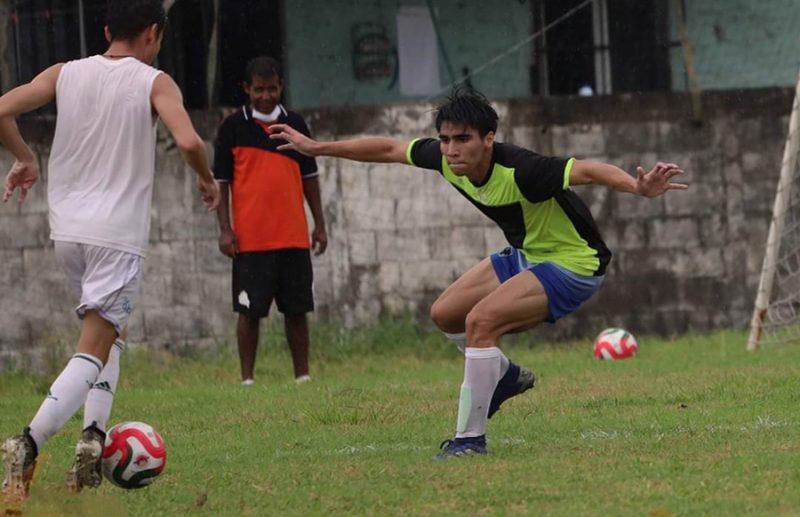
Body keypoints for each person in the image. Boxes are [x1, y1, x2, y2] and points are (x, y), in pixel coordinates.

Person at [268, 89, 686, 459]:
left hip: (574, 263)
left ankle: (470, 440)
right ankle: (504, 375)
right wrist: (318, 148)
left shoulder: (524, 170)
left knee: (479, 322)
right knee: (446, 314)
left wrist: (639, 188)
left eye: (463, 139)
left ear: (489, 139)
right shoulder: (447, 160)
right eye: (446, 139)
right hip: (527, 255)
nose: (451, 149)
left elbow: (589, 171)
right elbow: (389, 149)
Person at [0, 0, 219, 503]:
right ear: (153, 33)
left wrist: (24, 157)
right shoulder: (154, 81)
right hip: (115, 234)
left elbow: (2, 108)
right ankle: (27, 442)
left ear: (105, 30)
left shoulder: (65, 72)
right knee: (92, 346)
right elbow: (187, 141)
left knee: (112, 328)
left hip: (68, 231)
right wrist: (207, 182)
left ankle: (93, 439)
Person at [213, 56, 327, 386]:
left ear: (281, 87)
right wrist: (224, 229)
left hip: (293, 235)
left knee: (297, 310)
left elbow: (310, 177)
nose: (266, 95)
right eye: (259, 89)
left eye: (272, 88)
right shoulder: (232, 127)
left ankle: (302, 376)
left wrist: (319, 223)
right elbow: (221, 182)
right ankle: (247, 380)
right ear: (247, 89)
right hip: (251, 239)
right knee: (249, 311)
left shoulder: (296, 124)